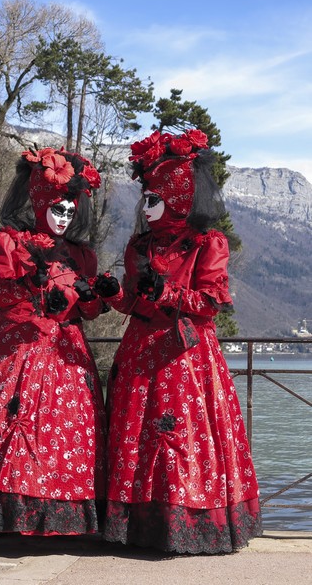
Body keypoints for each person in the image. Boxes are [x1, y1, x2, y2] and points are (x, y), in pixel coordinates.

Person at [95, 129, 262, 554]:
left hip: (184, 357)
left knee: (181, 434)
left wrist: (166, 293)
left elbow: (209, 303)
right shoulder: (139, 246)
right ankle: (137, 527)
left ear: (180, 198)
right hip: (139, 352)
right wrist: (115, 294)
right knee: (135, 434)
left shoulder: (208, 244)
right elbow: (133, 303)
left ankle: (187, 524)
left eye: (155, 199)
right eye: (145, 200)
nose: (146, 208)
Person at [0, 146, 107, 536]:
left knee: (63, 433)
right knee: (12, 425)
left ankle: (59, 518)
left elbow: (89, 311)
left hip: (67, 355)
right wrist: (34, 287)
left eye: (69, 211)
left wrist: (95, 295)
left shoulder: (82, 255)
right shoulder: (8, 242)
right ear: (39, 203)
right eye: (56, 210)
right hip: (17, 351)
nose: (63, 218)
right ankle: (4, 517)